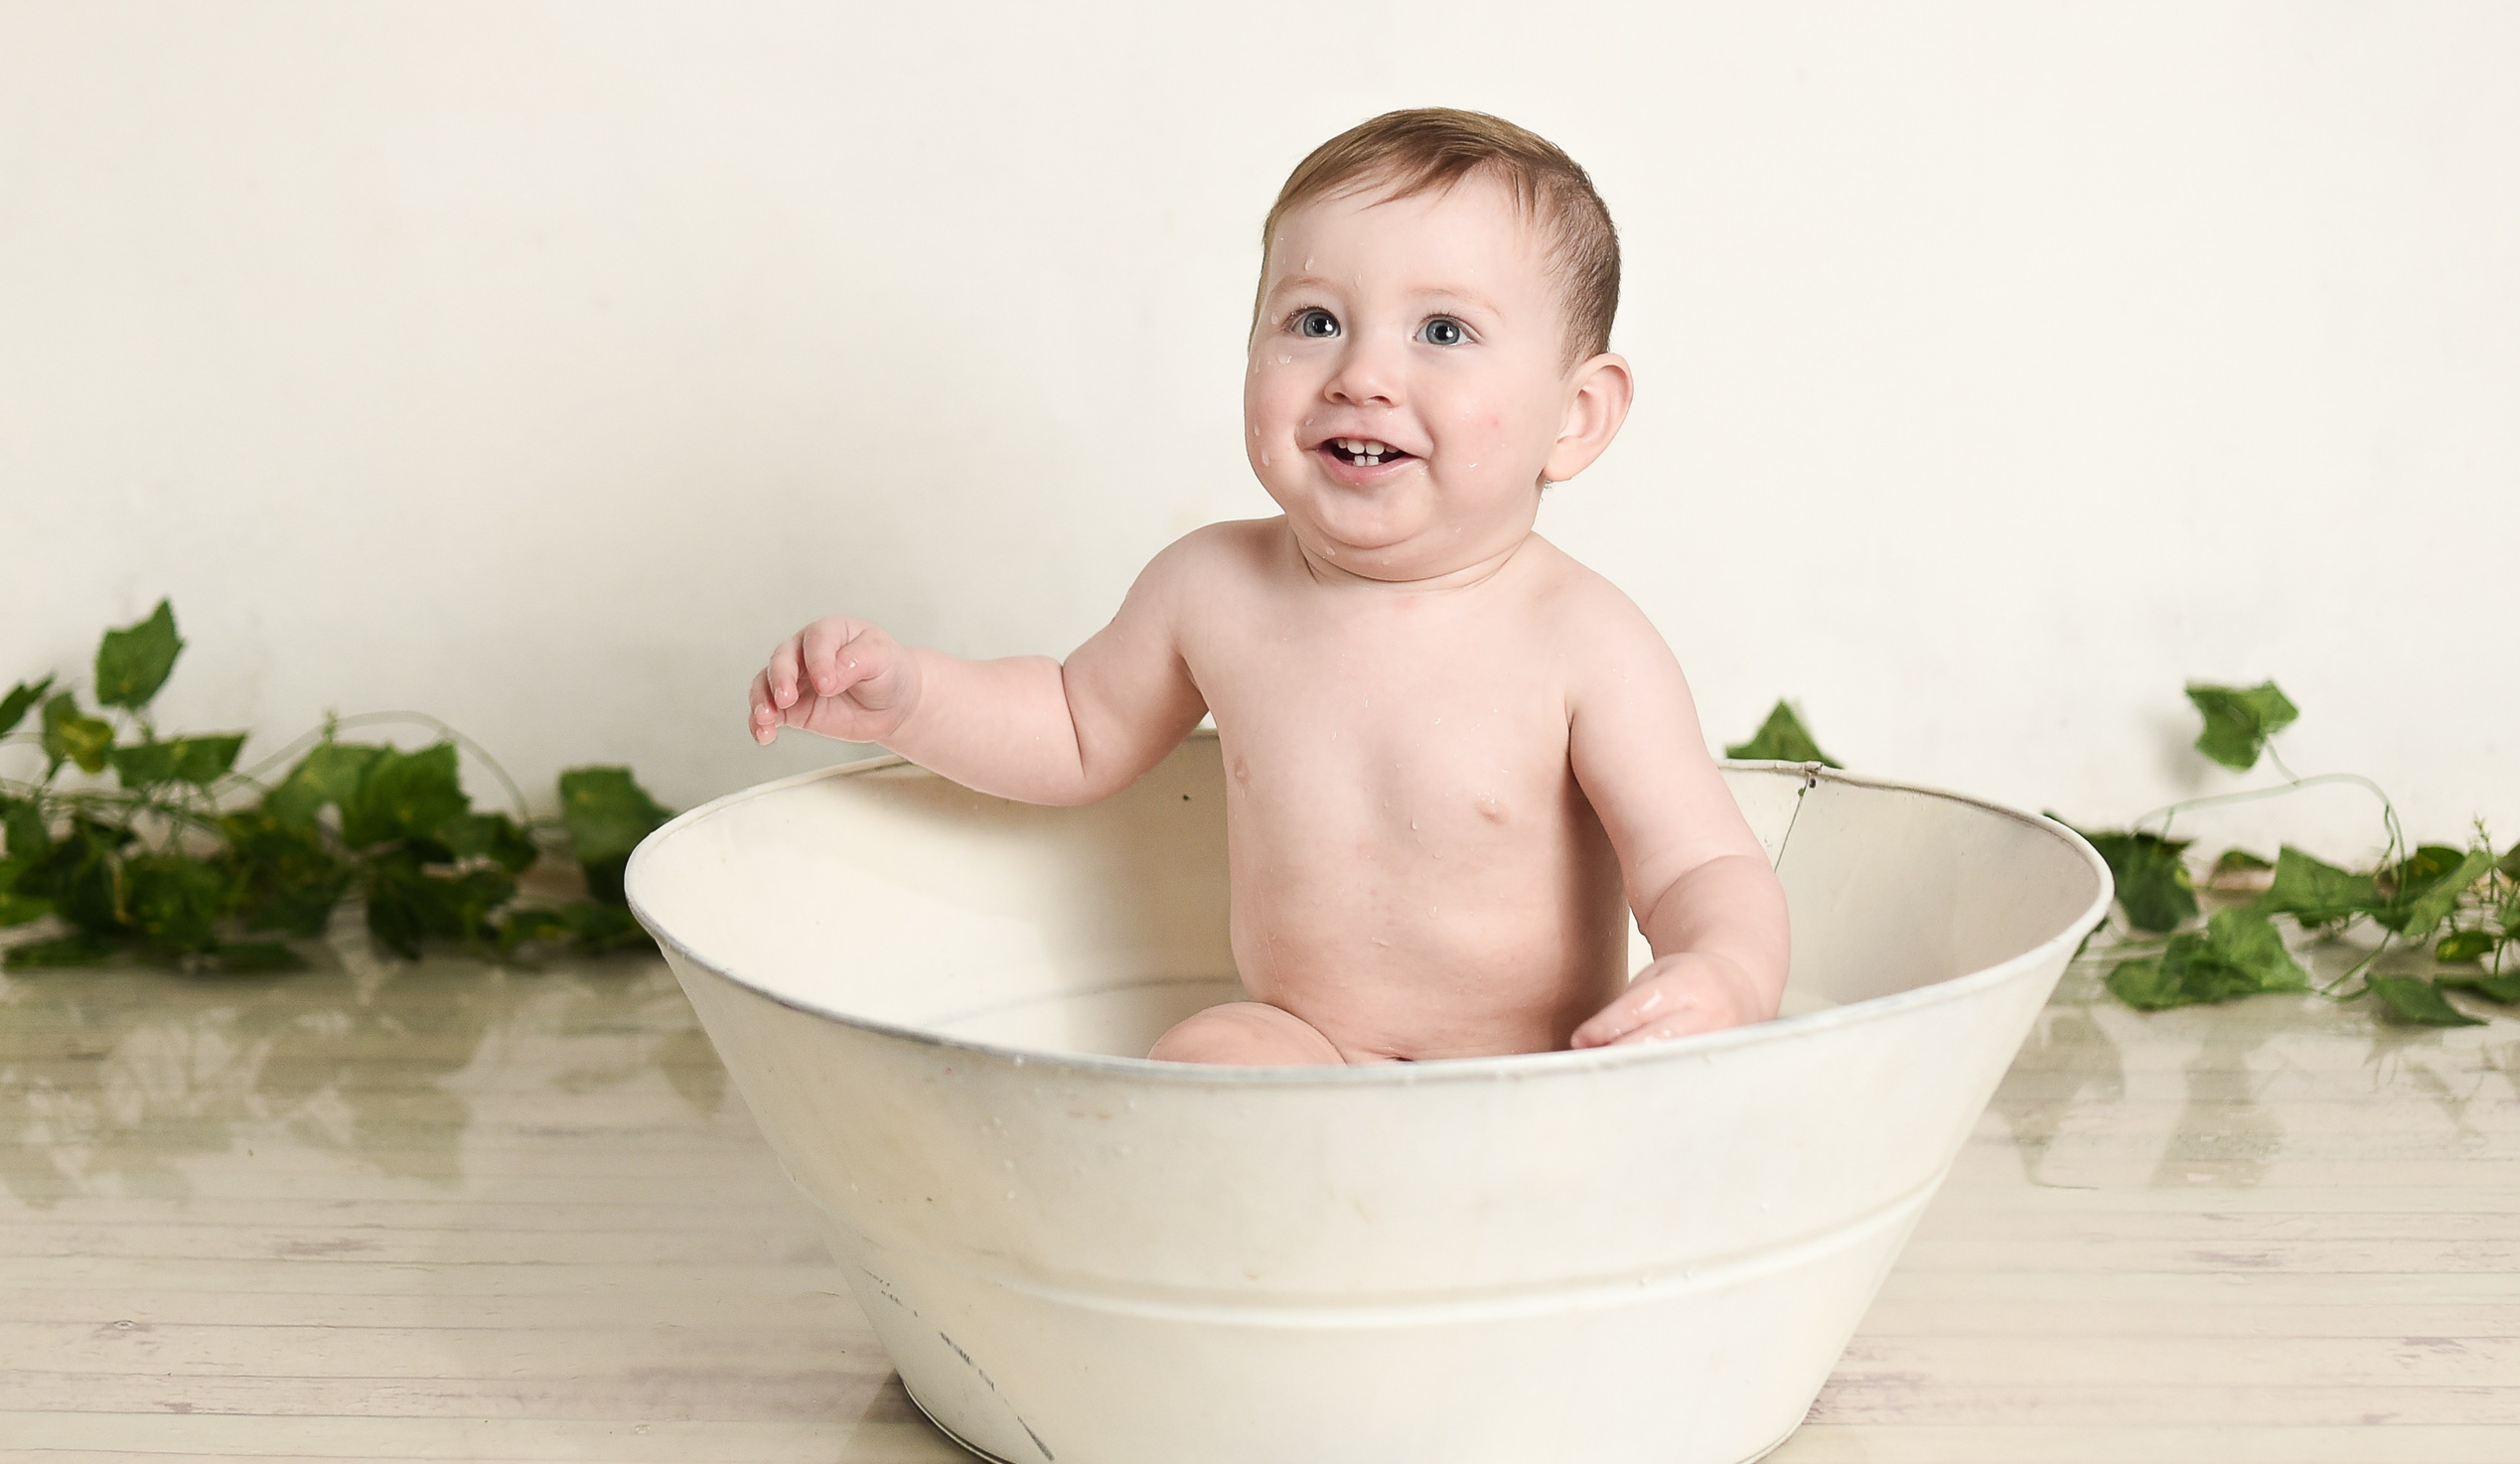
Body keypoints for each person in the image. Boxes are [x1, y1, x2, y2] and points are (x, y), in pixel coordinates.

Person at [748, 108, 1789, 1064]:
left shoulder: (1583, 641)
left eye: (1442, 332)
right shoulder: (1213, 589)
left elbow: (1700, 866)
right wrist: (911, 697)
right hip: (1309, 1047)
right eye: (1314, 321)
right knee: (1204, 1062)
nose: (1360, 374)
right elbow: (1073, 727)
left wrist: (1723, 974)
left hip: (1547, 1069)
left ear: (1574, 416)